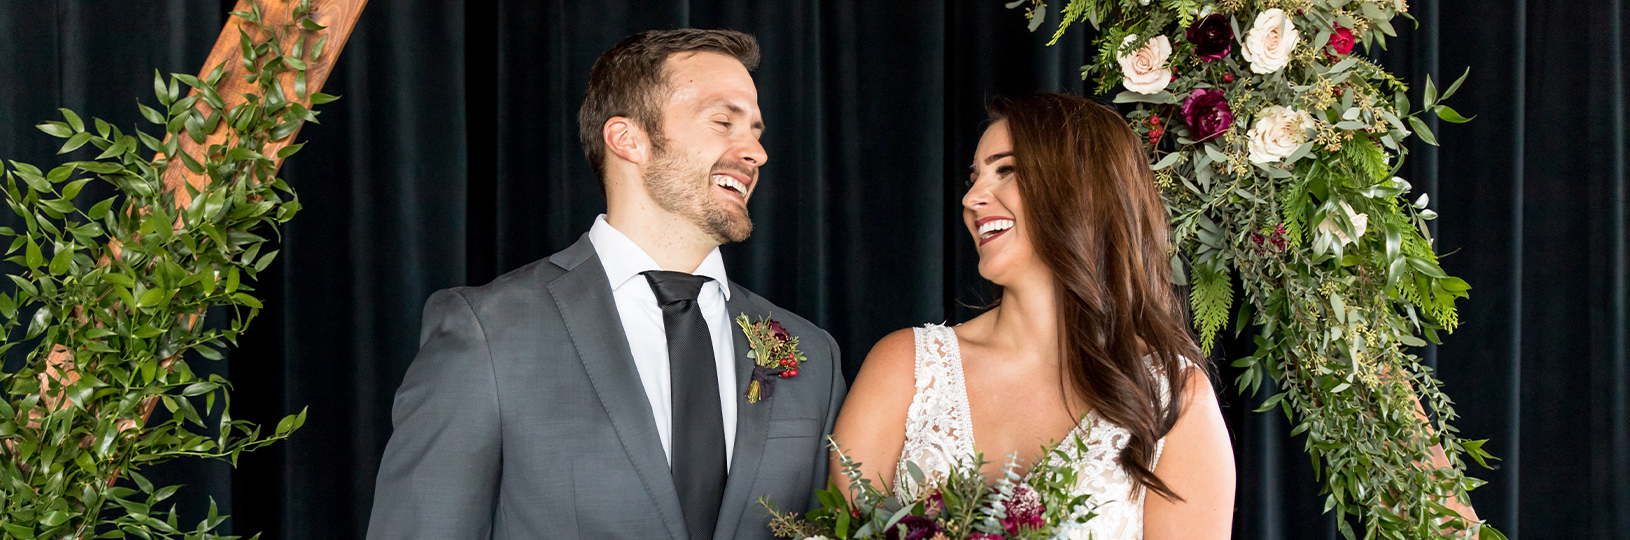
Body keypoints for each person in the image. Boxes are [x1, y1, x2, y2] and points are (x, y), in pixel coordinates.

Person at [366, 29, 846, 540]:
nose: (755, 152)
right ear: (627, 139)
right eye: (724, 122)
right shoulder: (487, 331)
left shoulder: (811, 353)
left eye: (755, 131)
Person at [831, 93, 1235, 539]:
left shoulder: (1174, 397)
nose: (971, 198)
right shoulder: (903, 367)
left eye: (1006, 170)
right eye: (974, 177)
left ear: (1082, 188)